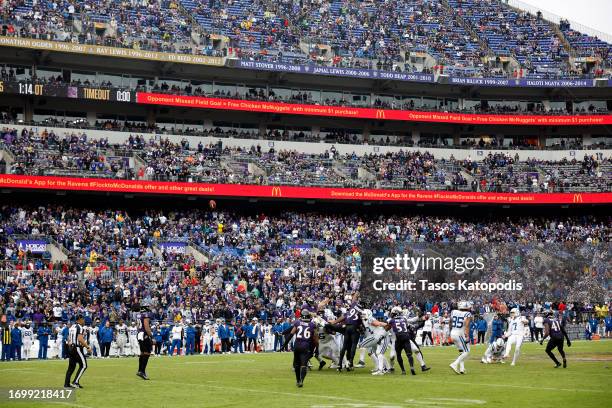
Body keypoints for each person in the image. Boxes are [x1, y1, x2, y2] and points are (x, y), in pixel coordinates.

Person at [329, 292, 361, 371]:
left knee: (344, 347)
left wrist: (356, 294)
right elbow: (363, 322)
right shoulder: (362, 311)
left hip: (347, 328)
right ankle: (350, 362)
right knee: (353, 345)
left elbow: (341, 318)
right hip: (354, 328)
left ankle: (340, 364)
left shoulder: (351, 308)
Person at [289, 309, 318, 387]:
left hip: (297, 346)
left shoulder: (297, 322)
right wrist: (317, 347)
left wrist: (284, 345)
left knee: (296, 365)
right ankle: (301, 380)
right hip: (305, 346)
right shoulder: (312, 324)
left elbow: (291, 334)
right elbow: (315, 338)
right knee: (304, 364)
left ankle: (298, 380)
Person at [386, 306, 417, 375]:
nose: (391, 314)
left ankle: (403, 370)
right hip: (406, 337)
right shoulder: (404, 319)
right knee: (409, 354)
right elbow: (409, 327)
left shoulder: (391, 320)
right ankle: (412, 367)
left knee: (399, 355)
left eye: (392, 313)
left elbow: (386, 329)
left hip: (398, 338)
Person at [358, 309, 389, 375]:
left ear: (368, 314)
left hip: (376, 336)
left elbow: (378, 323)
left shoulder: (370, 319)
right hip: (375, 336)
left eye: (364, 314)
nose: (362, 316)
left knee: (361, 345)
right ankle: (386, 367)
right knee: (378, 353)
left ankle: (361, 362)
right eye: (362, 314)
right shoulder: (365, 320)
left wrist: (387, 324)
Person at [64, 315, 91, 389]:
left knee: (71, 367)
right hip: (77, 348)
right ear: (79, 320)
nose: (84, 321)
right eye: (83, 319)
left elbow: (69, 338)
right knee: (84, 365)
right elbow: (80, 339)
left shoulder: (72, 327)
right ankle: (75, 382)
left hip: (71, 347)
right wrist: (87, 347)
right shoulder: (80, 327)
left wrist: (70, 344)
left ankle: (66, 384)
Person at [449, 301, 472, 374]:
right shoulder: (468, 314)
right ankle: (455, 364)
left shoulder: (453, 311)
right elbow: (467, 325)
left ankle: (462, 368)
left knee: (461, 351)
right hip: (460, 333)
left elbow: (450, 322)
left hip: (453, 332)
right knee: (467, 351)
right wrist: (467, 336)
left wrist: (450, 332)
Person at [137, 302, 154, 380]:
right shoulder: (146, 315)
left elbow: (138, 326)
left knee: (142, 353)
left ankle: (140, 370)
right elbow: (147, 327)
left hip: (140, 334)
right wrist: (151, 336)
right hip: (144, 335)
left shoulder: (139, 315)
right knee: (147, 352)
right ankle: (142, 371)